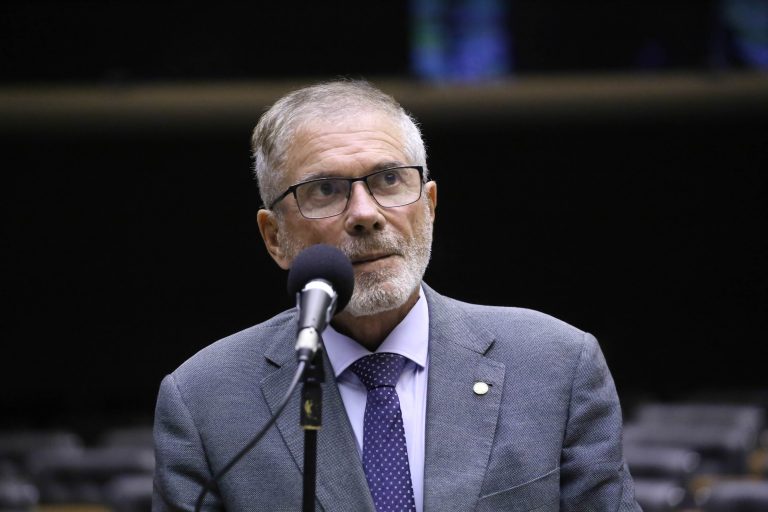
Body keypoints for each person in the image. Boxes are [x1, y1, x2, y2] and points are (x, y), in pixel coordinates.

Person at [152, 80, 641, 511]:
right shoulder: (203, 401)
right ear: (275, 237)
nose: (365, 214)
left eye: (389, 179)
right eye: (325, 189)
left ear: (429, 206)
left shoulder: (556, 365)